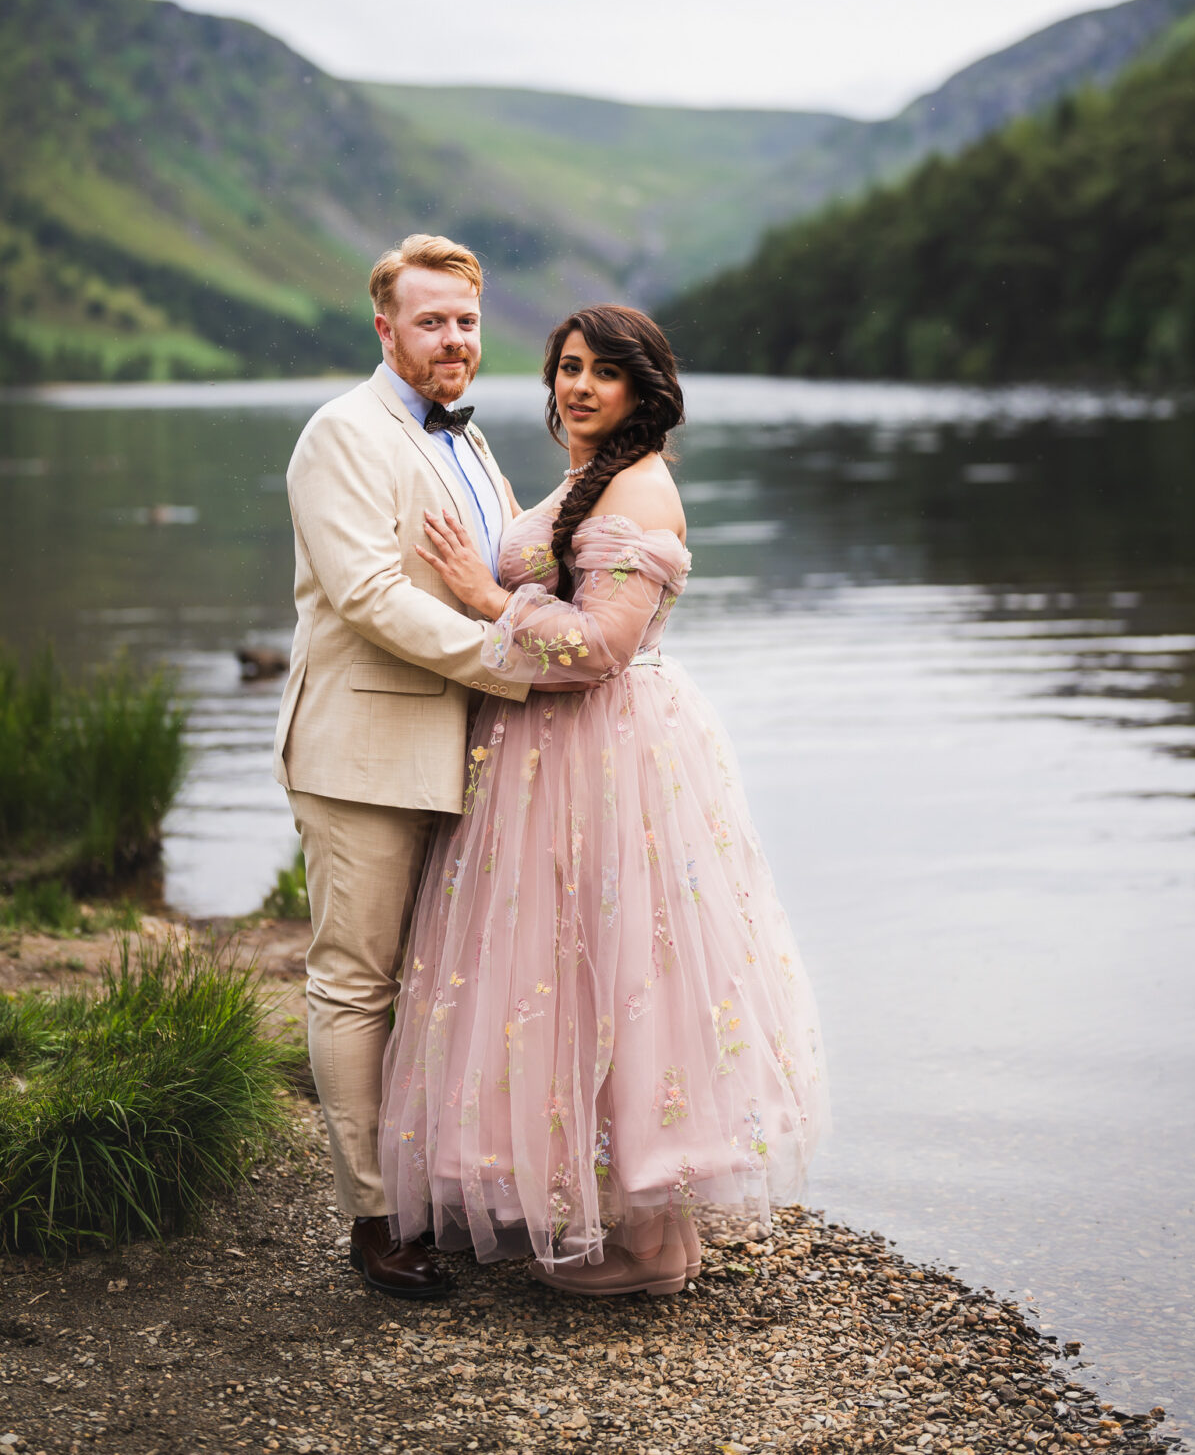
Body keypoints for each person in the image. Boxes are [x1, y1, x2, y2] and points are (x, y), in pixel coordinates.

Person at [380, 305, 826, 1296]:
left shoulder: (640, 487)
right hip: (552, 757)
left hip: (608, 756)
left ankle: (655, 1241)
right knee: (560, 973)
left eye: (603, 372)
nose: (578, 386)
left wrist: (490, 599)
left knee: (625, 976)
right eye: (568, 368)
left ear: (642, 389)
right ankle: (598, 1209)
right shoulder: (590, 476)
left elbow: (599, 649)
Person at [274, 233, 529, 1299]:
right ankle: (374, 1221)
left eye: (465, 321)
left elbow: (505, 565)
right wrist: (521, 661)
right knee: (356, 985)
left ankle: (436, 1191)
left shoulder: (471, 444)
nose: (452, 339)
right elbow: (371, 597)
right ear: (384, 328)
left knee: (441, 986)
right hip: (363, 755)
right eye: (431, 322)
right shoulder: (340, 434)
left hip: (461, 752)